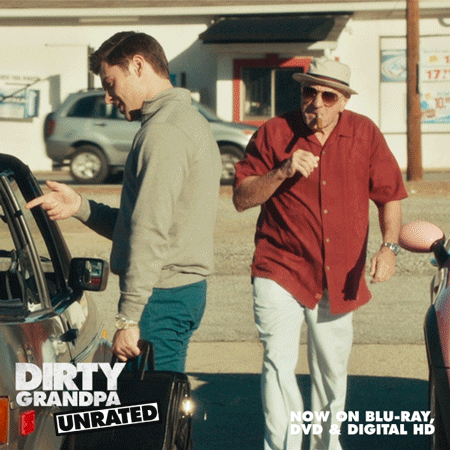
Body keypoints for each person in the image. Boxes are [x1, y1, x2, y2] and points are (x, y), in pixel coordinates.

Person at [232, 57, 407, 450]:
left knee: (331, 370)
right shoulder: (275, 132)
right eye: (309, 92)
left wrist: (389, 247)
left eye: (328, 96)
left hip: (339, 274)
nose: (316, 102)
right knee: (278, 363)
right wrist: (282, 170)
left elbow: (389, 195)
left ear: (343, 101)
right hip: (280, 268)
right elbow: (242, 198)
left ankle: (326, 444)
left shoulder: (364, 133)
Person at [27, 31, 222, 372]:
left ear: (137, 65)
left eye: (110, 82)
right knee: (162, 399)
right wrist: (80, 207)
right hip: (174, 292)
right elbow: (143, 223)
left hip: (159, 297)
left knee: (149, 402)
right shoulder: (187, 121)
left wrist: (129, 318)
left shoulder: (164, 132)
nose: (107, 97)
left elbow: (149, 231)